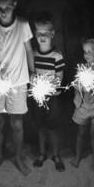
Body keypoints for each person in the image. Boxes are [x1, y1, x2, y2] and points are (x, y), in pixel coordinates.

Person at [0, 0, 34, 176]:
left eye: (6, 7)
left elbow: (29, 50)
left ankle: (18, 157)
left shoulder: (22, 25)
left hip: (19, 81)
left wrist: (33, 75)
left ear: (14, 4)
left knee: (16, 123)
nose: (2, 12)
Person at [31, 15, 66, 171]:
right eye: (39, 33)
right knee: (40, 126)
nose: (42, 36)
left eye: (46, 33)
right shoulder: (32, 55)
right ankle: (41, 153)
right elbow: (30, 75)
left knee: (52, 127)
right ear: (34, 34)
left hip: (52, 99)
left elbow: (59, 79)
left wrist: (47, 85)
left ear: (52, 34)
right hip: (38, 98)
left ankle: (56, 155)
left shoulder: (57, 57)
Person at [72, 38, 94, 171]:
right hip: (84, 106)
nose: (86, 54)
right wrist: (80, 88)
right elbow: (76, 86)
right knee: (81, 133)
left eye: (90, 51)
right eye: (84, 51)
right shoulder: (82, 69)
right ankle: (77, 157)